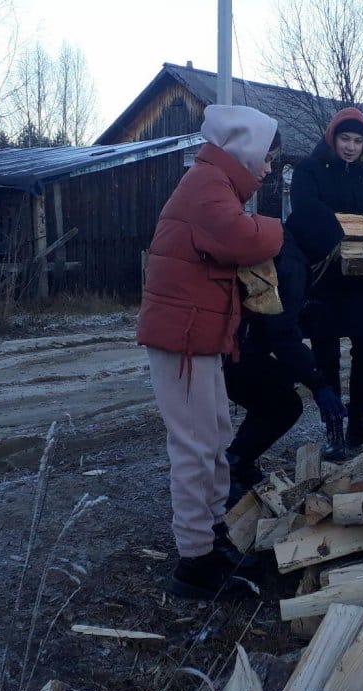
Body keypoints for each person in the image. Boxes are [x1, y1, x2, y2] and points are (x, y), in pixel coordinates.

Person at [137, 104, 283, 600]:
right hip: (182, 339)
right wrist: (289, 231)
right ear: (242, 150)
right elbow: (241, 239)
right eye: (265, 157)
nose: (267, 169)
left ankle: (211, 537)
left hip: (194, 336)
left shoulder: (213, 185)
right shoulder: (206, 188)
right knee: (196, 447)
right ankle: (195, 566)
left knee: (214, 434)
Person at [289, 107, 363, 461]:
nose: (351, 146)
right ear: (332, 138)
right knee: (326, 354)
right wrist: (349, 228)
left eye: (358, 140)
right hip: (324, 277)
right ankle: (334, 431)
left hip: (361, 279)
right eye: (345, 138)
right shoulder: (309, 170)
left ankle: (358, 421)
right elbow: (305, 213)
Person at [223, 201, 347, 508]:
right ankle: (231, 467)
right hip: (232, 350)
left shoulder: (280, 245)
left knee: (278, 383)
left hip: (229, 344)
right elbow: (282, 335)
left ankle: (240, 460)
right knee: (284, 404)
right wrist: (319, 384)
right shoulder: (291, 265)